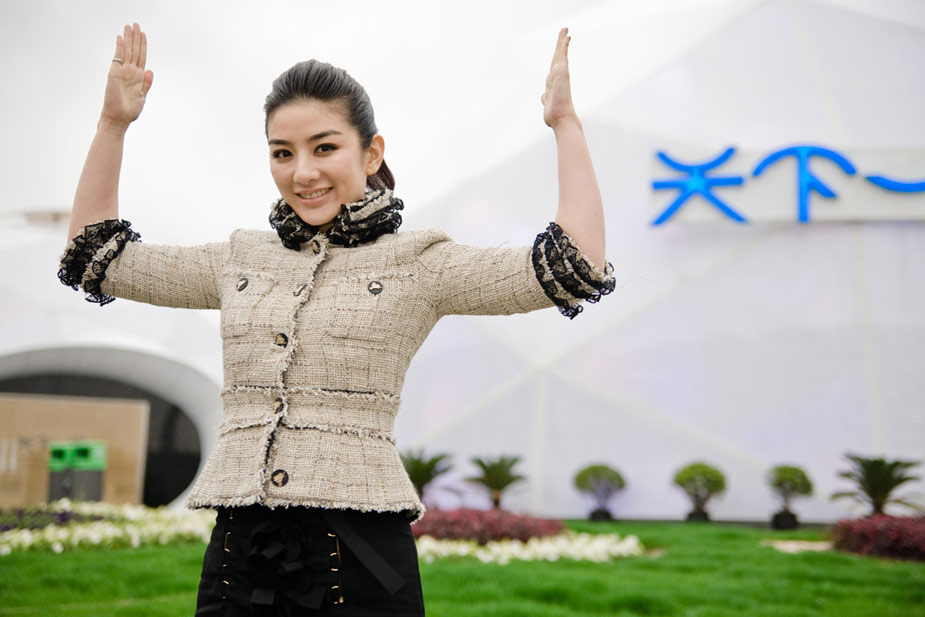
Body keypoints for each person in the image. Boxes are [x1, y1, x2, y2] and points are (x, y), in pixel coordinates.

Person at [58, 22, 614, 617]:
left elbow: (575, 265)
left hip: (362, 557)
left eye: (324, 148)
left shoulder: (420, 263)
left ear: (371, 152)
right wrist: (113, 124)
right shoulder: (239, 257)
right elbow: (96, 258)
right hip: (239, 555)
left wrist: (565, 124)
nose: (302, 172)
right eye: (283, 152)